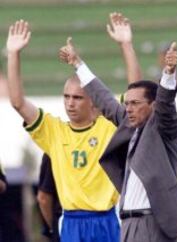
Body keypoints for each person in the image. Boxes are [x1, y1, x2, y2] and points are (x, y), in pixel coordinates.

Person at [59, 37, 177, 241]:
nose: (128, 108)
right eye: (127, 103)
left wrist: (168, 74)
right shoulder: (131, 125)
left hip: (151, 224)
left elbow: (166, 107)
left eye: (135, 103)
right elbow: (104, 99)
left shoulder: (164, 129)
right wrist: (78, 64)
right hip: (128, 223)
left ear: (153, 105)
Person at [6, 19, 121, 242]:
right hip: (72, 222)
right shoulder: (54, 131)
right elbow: (18, 102)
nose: (70, 103)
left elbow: (135, 93)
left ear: (93, 102)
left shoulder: (108, 127)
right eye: (66, 97)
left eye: (77, 97)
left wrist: (126, 45)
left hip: (106, 219)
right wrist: (13, 54)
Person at [37, 154, 61, 242]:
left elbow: (43, 198)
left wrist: (54, 228)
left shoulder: (53, 150)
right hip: (101, 222)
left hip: (64, 224)